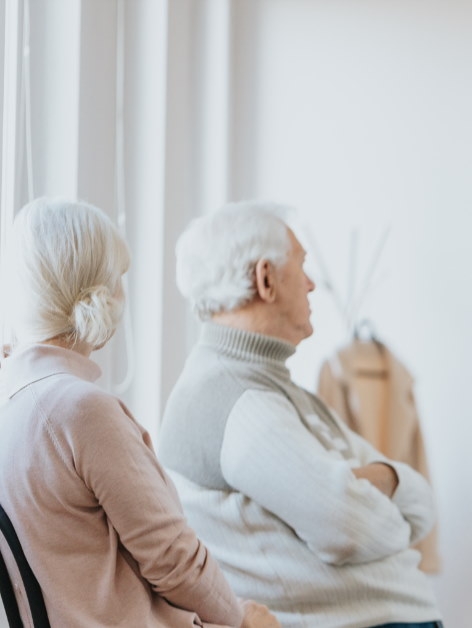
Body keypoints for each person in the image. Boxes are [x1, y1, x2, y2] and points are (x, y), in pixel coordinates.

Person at [157, 202, 442, 628]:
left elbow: (421, 502)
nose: (311, 284)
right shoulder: (233, 399)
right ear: (266, 279)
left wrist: (375, 480)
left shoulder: (280, 391)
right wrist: (366, 486)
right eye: (302, 265)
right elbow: (350, 529)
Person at [0, 198, 278, 627]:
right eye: (119, 279)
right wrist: (241, 620)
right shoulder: (80, 411)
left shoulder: (15, 403)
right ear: (98, 291)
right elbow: (174, 561)